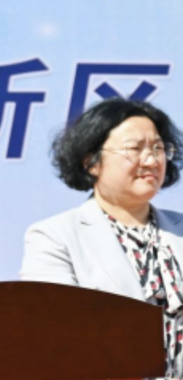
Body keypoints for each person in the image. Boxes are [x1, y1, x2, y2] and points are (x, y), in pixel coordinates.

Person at [20, 98, 183, 377]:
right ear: (91, 162)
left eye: (158, 148)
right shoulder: (54, 237)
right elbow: (54, 334)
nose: (151, 160)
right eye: (134, 149)